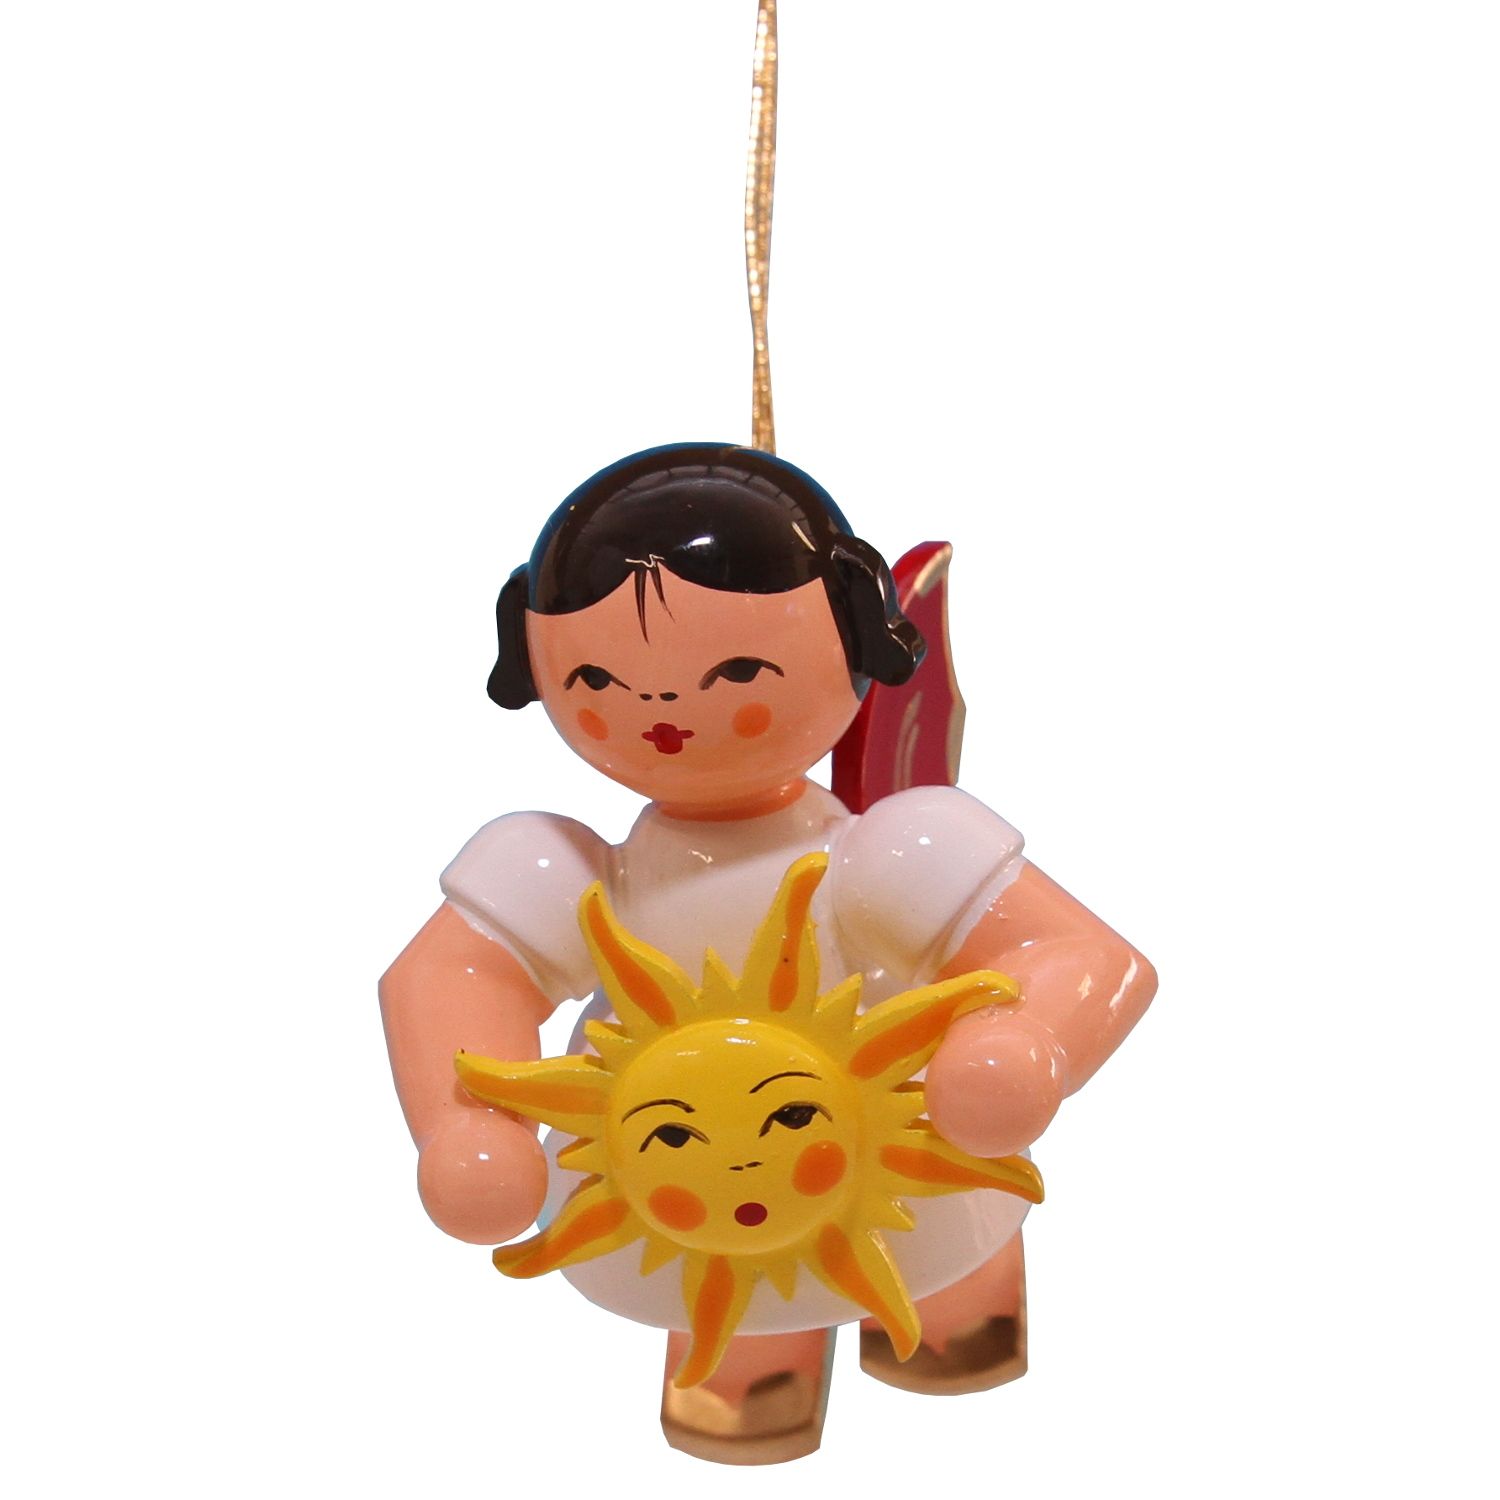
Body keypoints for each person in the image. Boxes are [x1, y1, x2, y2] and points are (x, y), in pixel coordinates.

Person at [380, 442, 1157, 1464]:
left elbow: (1081, 955)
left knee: (943, 1238)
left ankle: (961, 1320)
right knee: (719, 1293)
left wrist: (1027, 1045)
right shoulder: (562, 868)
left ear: (857, 634)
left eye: (737, 672)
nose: (662, 713)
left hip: (906, 1150)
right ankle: (752, 1373)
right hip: (673, 1181)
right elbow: (456, 974)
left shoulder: (894, 852)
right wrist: (465, 1121)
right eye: (598, 678)